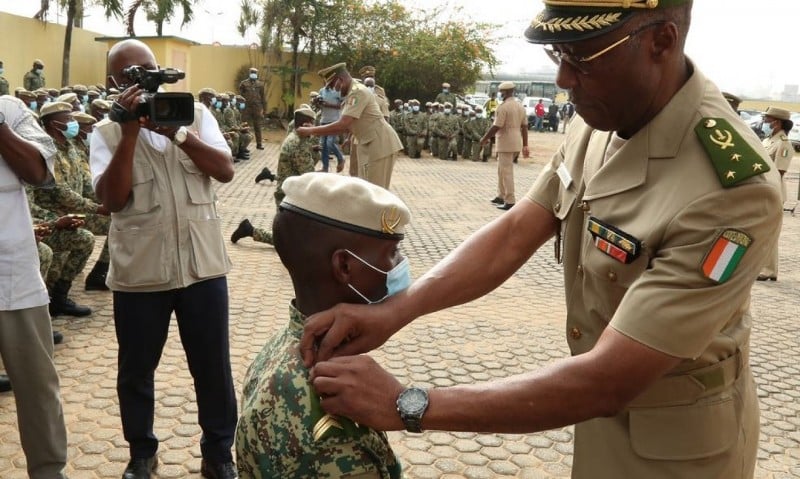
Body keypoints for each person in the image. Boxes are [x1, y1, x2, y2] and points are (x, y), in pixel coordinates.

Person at [299, 1, 783, 478]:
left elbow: (606, 380)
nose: (564, 80)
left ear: (661, 41)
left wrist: (406, 403)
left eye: (583, 58)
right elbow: (514, 233)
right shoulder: (600, 118)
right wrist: (393, 310)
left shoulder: (730, 189)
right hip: (595, 415)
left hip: (677, 443)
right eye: (559, 55)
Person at [89, 39, 238, 479]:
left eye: (149, 70)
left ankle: (218, 454)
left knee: (213, 367)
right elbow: (111, 200)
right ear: (114, 84)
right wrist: (131, 131)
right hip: (140, 274)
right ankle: (141, 453)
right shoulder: (105, 132)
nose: (143, 81)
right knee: (136, 371)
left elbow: (225, 170)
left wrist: (177, 132)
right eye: (130, 76)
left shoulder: (196, 114)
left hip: (202, 268)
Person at [236, 172, 408, 478]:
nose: (400, 265)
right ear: (344, 266)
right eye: (392, 253)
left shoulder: (286, 345)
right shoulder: (331, 415)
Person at [0, 94, 69, 479]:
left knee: (38, 391)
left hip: (14, 280)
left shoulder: (10, 110)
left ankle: (48, 472)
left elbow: (38, 172)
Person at [296, 63, 402, 190]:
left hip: (380, 144)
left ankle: (387, 211)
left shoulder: (358, 92)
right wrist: (313, 130)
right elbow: (347, 127)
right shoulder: (350, 94)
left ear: (340, 80)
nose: (334, 90)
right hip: (368, 142)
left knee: (376, 193)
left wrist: (310, 130)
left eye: (333, 86)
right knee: (366, 191)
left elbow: (343, 125)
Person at [231, 105, 318, 246]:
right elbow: (309, 175)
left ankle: (250, 230)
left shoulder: (294, 137)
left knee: (293, 239)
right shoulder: (298, 144)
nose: (314, 127)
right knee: (287, 242)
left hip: (288, 193)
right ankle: (250, 230)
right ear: (305, 124)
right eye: (312, 123)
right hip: (289, 198)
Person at [757, 106, 794, 282]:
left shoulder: (783, 143)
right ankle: (761, 266)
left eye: (768, 120)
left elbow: (779, 171)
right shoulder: (768, 141)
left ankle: (769, 270)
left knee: (769, 231)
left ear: (777, 123)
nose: (764, 123)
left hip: (774, 191)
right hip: (763, 190)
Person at [480, 81, 528, 210]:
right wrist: (525, 145)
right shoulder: (520, 106)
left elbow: (497, 125)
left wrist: (484, 138)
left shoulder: (503, 107)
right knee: (501, 170)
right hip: (516, 141)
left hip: (506, 142)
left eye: (501, 92)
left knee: (506, 172)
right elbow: (525, 127)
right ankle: (501, 195)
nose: (500, 94)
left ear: (505, 92)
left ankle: (510, 200)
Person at [317, 82, 345, 173]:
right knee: (324, 145)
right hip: (323, 120)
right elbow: (319, 105)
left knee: (329, 143)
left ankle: (341, 158)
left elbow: (342, 106)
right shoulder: (322, 91)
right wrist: (317, 102)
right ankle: (325, 167)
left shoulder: (338, 92)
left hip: (335, 121)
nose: (327, 83)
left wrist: (328, 105)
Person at [239, 67, 266, 150]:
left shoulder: (260, 84)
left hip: (257, 107)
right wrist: (240, 106)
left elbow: (263, 97)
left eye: (255, 72)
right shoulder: (244, 83)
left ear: (257, 74)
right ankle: (243, 145)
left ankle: (259, 144)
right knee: (244, 125)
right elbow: (240, 96)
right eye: (252, 72)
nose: (253, 73)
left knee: (257, 126)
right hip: (246, 107)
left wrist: (264, 109)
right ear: (249, 73)